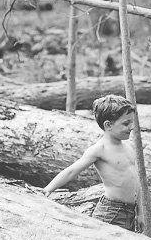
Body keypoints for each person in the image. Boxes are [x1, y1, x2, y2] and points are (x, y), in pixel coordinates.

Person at [43, 94, 139, 231]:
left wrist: (140, 212)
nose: (132, 127)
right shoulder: (100, 149)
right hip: (111, 211)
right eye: (126, 123)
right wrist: (48, 189)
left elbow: (137, 180)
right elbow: (71, 172)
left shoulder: (130, 146)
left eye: (132, 122)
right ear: (108, 125)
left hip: (131, 211)